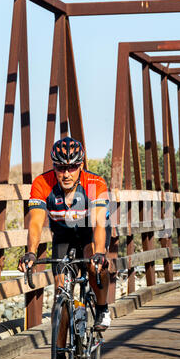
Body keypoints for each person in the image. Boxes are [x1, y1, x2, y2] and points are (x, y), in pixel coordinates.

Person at [18, 136, 111, 331]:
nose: (66, 174)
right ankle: (60, 356)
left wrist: (100, 253)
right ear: (54, 166)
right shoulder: (42, 183)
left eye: (72, 167)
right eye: (60, 168)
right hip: (62, 234)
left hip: (90, 232)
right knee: (61, 291)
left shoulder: (94, 183)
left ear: (81, 165)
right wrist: (31, 252)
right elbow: (35, 222)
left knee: (95, 265)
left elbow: (99, 224)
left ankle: (102, 308)